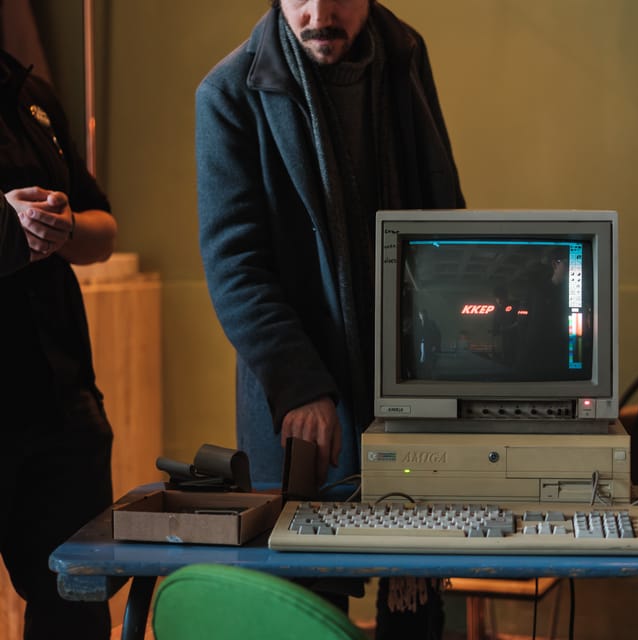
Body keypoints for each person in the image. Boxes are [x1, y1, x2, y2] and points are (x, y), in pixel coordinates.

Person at [195, 0, 464, 636]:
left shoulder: (406, 57)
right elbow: (235, 267)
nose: (319, 13)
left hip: (413, 382)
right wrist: (300, 384)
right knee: (309, 608)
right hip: (303, 392)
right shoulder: (229, 92)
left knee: (419, 605)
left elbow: (444, 213)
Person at [1, 47, 117, 639]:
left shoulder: (31, 93)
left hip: (61, 398)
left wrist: (65, 226)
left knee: (76, 603)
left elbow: (103, 228)